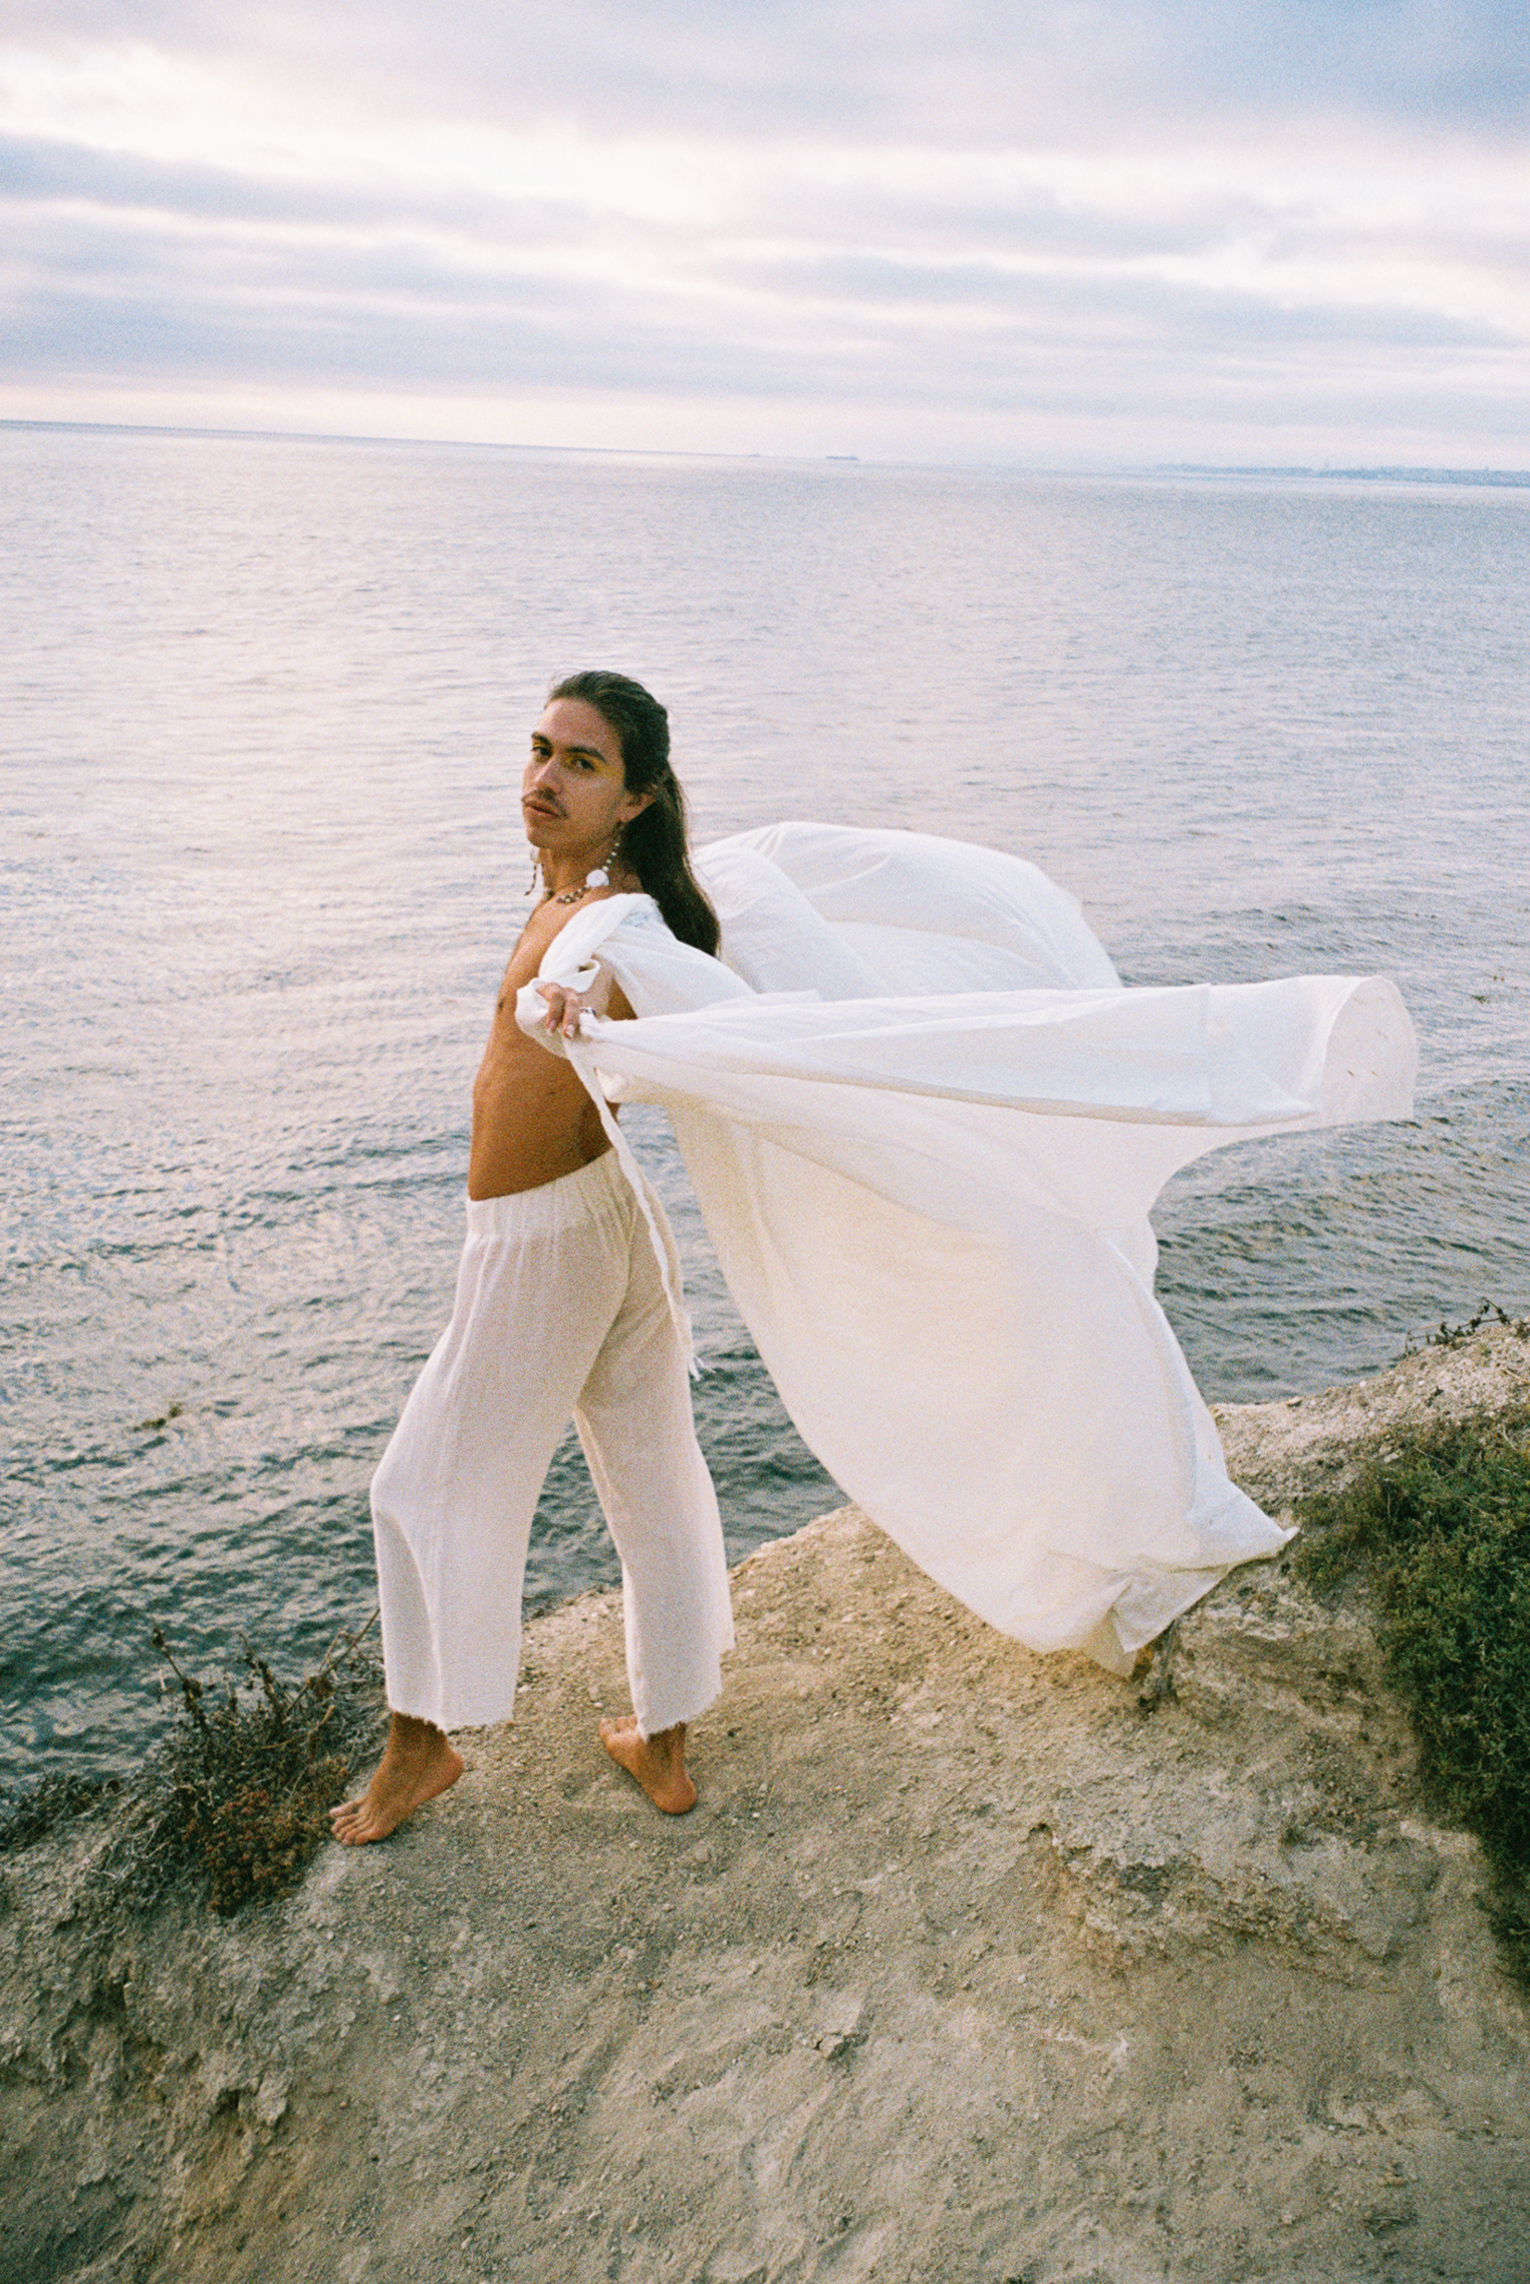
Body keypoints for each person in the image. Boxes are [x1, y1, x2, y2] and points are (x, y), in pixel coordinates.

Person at [331, 672, 733, 1843]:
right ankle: (663, 1742)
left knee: (413, 1485)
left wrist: (576, 1010)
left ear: (635, 799)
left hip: (543, 1241)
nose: (545, 777)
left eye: (582, 762)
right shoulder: (575, 897)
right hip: (605, 1220)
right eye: (540, 749)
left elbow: (614, 973)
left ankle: (422, 1745)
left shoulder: (610, 919)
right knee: (652, 1478)